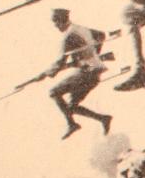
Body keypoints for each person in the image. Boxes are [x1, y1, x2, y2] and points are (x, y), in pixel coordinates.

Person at [43, 9, 112, 140]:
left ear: (60, 21)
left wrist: (47, 73)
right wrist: (92, 54)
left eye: (55, 23)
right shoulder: (80, 28)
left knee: (53, 92)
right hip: (95, 72)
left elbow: (60, 63)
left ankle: (71, 124)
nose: (55, 26)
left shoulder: (68, 36)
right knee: (71, 107)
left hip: (86, 73)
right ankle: (103, 119)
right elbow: (101, 35)